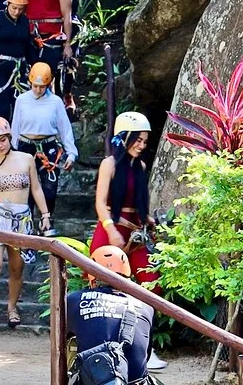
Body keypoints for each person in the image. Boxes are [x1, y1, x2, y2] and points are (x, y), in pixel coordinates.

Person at [89, 111, 167, 370]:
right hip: (110, 230)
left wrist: (150, 222)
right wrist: (111, 230)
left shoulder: (140, 167)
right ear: (123, 138)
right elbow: (101, 203)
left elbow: (139, 206)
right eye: (137, 140)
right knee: (107, 289)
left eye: (145, 141)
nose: (141, 145)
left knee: (151, 285)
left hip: (135, 233)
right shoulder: (109, 164)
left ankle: (144, 349)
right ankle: (104, 348)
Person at [0, 117, 52, 331]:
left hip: (21, 219)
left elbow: (36, 188)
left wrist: (45, 214)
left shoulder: (26, 159)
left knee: (17, 268)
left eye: (3, 140)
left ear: (9, 138)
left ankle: (12, 308)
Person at [67, 245, 155, 384]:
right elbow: (145, 355)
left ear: (92, 278)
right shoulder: (146, 305)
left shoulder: (74, 300)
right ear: (128, 275)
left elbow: (62, 342)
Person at [11, 62, 77, 214]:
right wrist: (12, 151)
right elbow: (15, 127)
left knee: (49, 190)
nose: (38, 90)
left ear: (48, 84)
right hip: (25, 146)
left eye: (42, 87)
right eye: (35, 86)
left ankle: (46, 220)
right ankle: (26, 223)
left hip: (48, 146)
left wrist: (71, 153)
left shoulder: (55, 102)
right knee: (25, 189)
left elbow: (64, 128)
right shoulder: (22, 100)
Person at [50, 0, 101, 119]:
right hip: (54, 28)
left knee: (69, 64)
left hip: (72, 30)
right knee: (54, 65)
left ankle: (67, 94)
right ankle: (55, 97)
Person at [24, 0, 73, 88]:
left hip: (52, 37)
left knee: (49, 77)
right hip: (32, 38)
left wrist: (67, 44)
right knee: (33, 77)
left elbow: (67, 14)